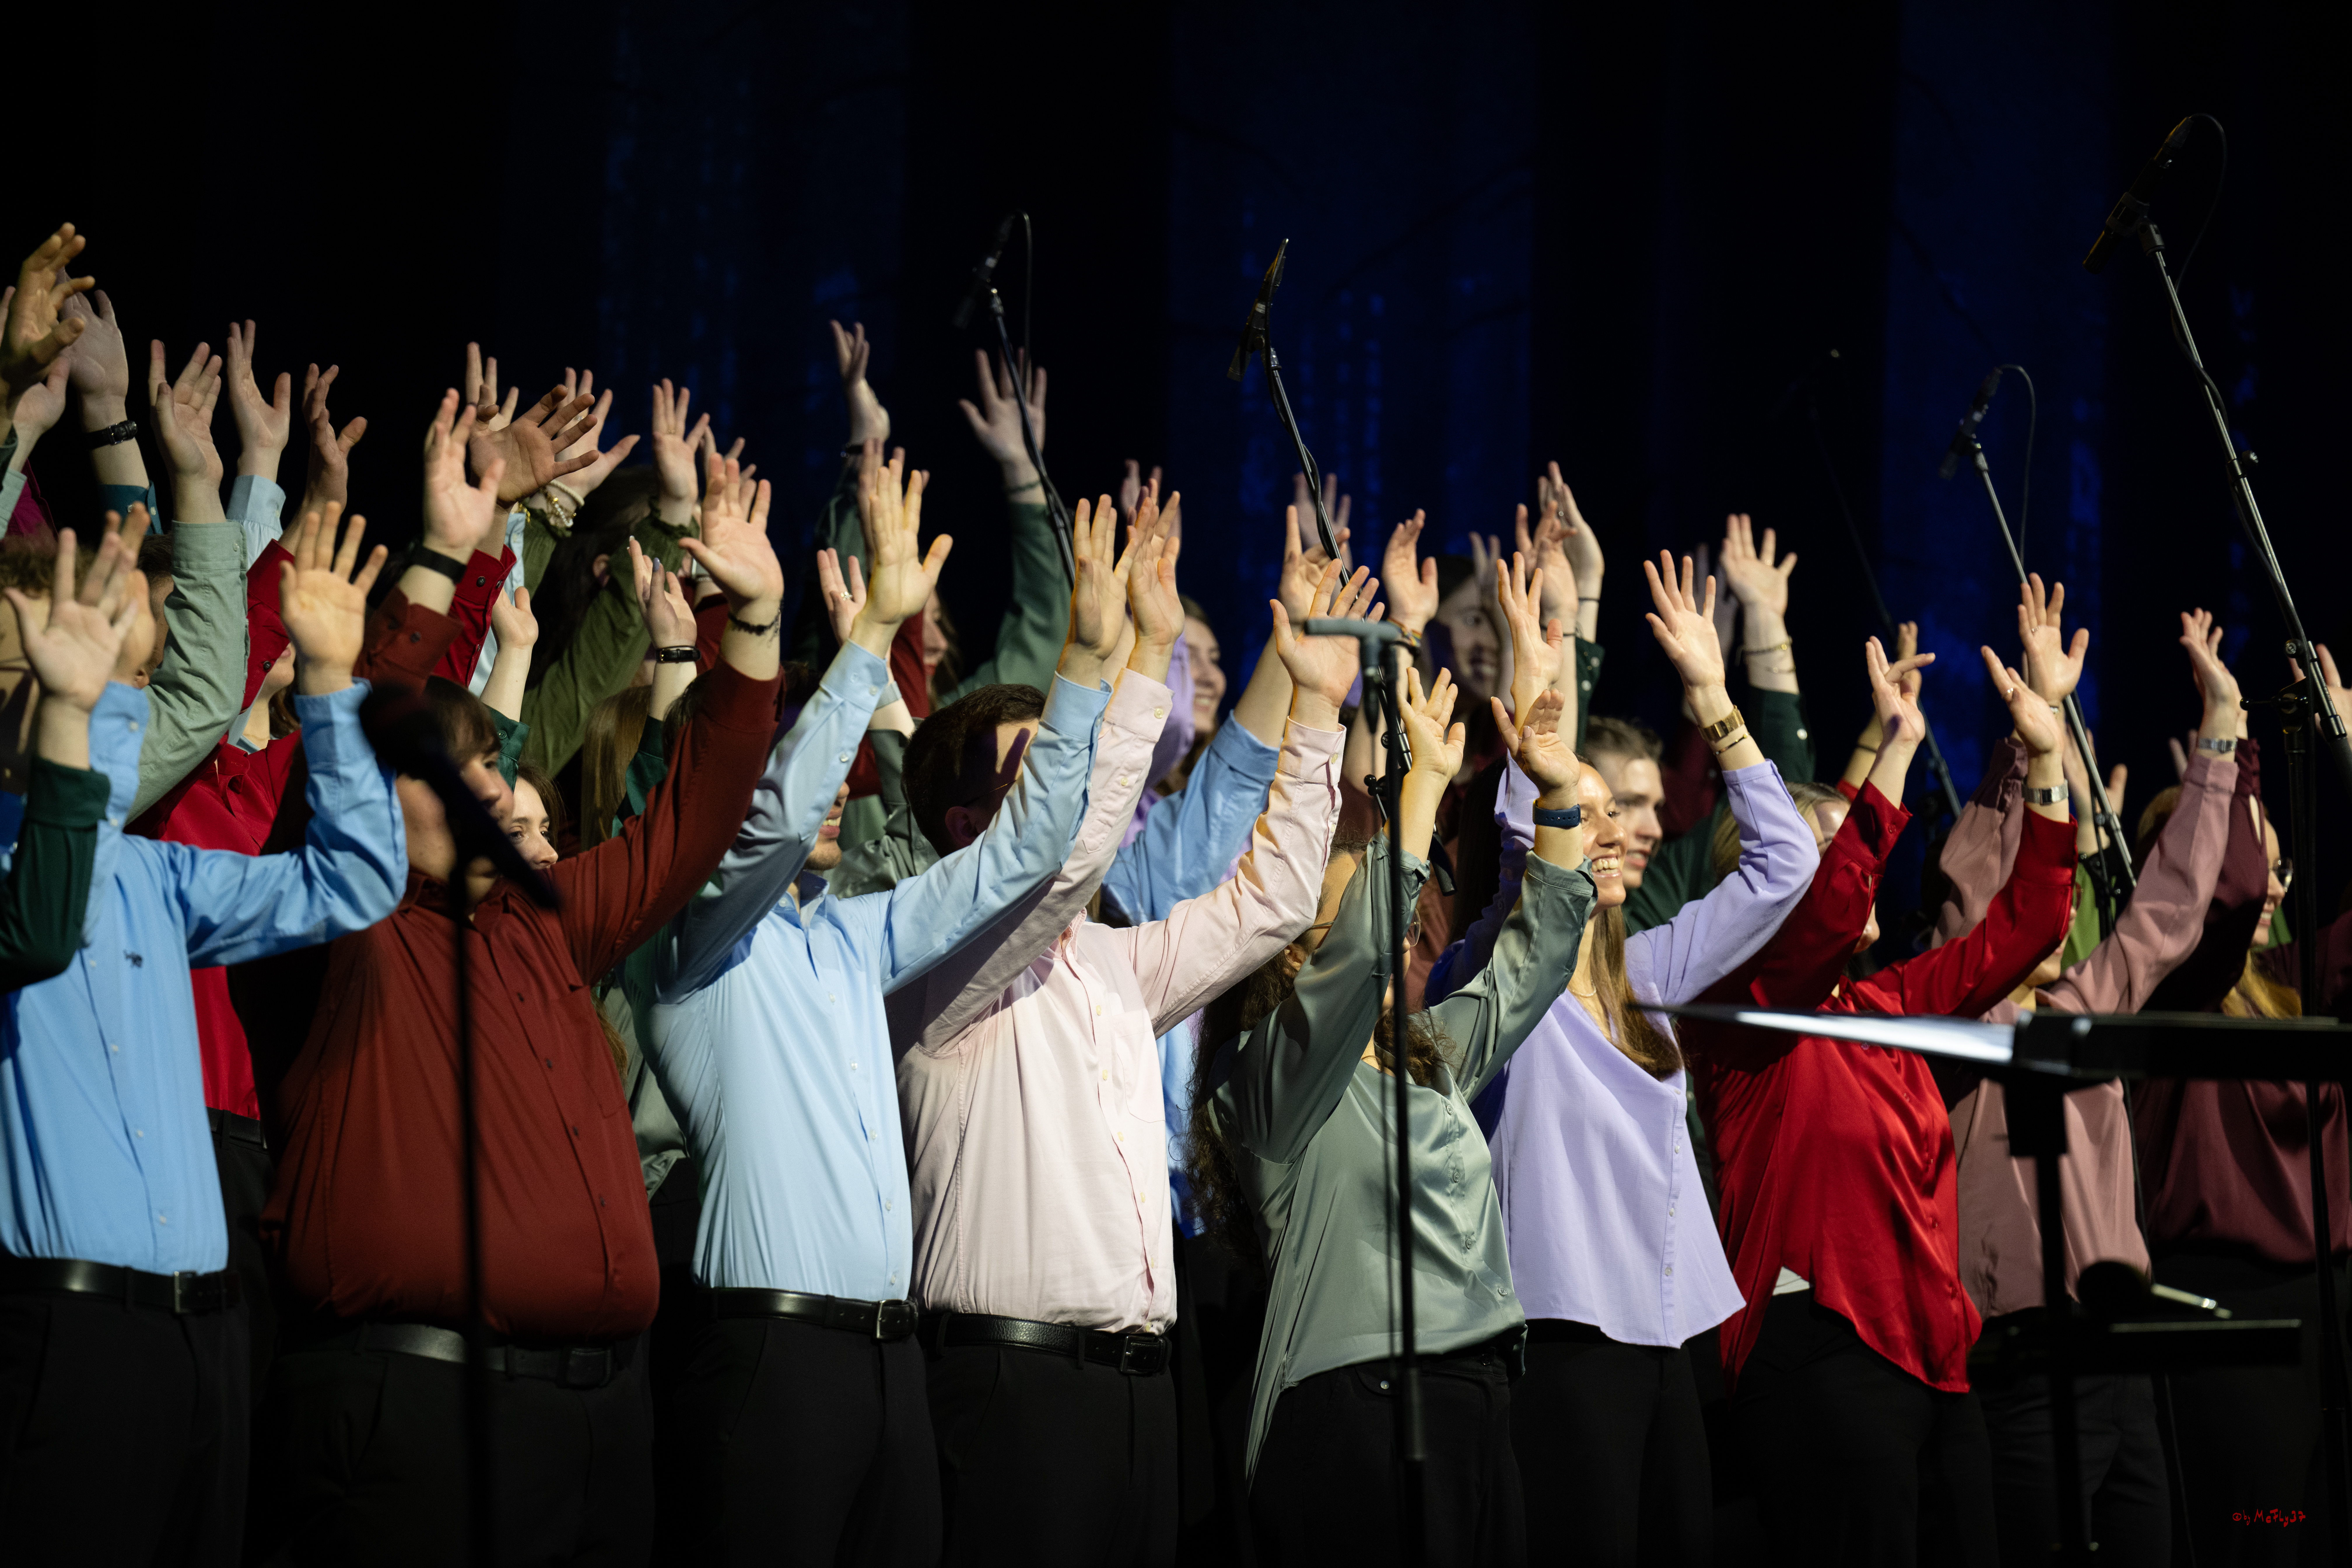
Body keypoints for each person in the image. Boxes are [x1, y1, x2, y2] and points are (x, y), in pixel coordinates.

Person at [251, 407, 788, 1565]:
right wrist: (446, 552)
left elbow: (696, 813)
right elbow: (348, 750)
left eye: (491, 763)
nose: (493, 784)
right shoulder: (343, 932)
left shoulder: (540, 925)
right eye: (459, 771)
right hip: (418, 1418)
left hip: (594, 1429)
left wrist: (750, 621)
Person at [639, 461, 1159, 1565]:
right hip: (768, 1353)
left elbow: (1023, 853)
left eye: (827, 767)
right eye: (798, 764)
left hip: (890, 1366)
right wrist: (871, 631)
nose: (832, 788)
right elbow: (767, 817)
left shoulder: (852, 930)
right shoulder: (702, 934)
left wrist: (1084, 668)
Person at [892, 549, 1368, 1567]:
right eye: (1039, 772)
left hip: (1139, 1389)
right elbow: (1061, 866)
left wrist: (1318, 714)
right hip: (1011, 1390)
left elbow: (1273, 902)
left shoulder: (1111, 960)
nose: (1065, 791)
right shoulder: (936, 968)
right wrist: (1144, 652)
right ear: (968, 827)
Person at [0, 509, 408, 1566]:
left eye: (78, 653)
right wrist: (96, 705)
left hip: (207, 1336)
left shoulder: (153, 872)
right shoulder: (26, 869)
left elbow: (357, 882)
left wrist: (325, 685)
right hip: (59, 1338)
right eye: (33, 658)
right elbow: (47, 918)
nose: (53, 676)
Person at [1426, 551, 1820, 1566]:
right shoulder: (1502, 975)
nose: (1609, 831)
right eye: (1584, 808)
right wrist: (1533, 684)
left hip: (1664, 1337)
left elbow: (1786, 865)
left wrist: (1714, 698)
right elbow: (1522, 838)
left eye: (1615, 812)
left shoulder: (1647, 969)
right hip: (1560, 1340)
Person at [1202, 565, 1596, 1566]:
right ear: (1292, 946)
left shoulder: (1424, 1060)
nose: (1399, 915)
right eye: (1351, 907)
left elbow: (1532, 962)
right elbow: (1354, 969)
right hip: (1351, 1411)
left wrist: (1555, 796)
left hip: (1474, 1397)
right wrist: (1414, 798)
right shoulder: (1266, 1080)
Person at [1684, 637, 2079, 1568]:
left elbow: (2031, 925)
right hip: (1817, 1351)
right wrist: (1894, 746)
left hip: (1933, 1357)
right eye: (1827, 851)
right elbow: (1822, 917)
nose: (1848, 871)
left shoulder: (1885, 1004)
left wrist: (2049, 756)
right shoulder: (1741, 1013)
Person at [1935, 599, 2247, 1564]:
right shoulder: (1954, 1023)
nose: (2051, 900)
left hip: (2123, 1346)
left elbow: (2173, 903)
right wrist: (2033, 754)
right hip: (2022, 1356)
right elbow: (1970, 882)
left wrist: (2221, 734)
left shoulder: (2082, 1002)